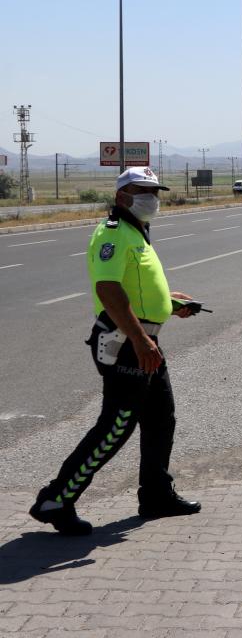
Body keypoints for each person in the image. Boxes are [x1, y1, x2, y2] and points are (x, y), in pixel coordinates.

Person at [29, 167, 202, 535]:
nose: (153, 199)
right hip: (128, 345)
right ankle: (56, 499)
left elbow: (137, 291)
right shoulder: (112, 234)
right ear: (123, 195)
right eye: (145, 192)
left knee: (160, 419)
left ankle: (156, 495)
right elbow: (109, 291)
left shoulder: (135, 231)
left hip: (144, 342)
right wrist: (140, 340)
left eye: (156, 192)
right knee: (115, 428)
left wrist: (171, 303)